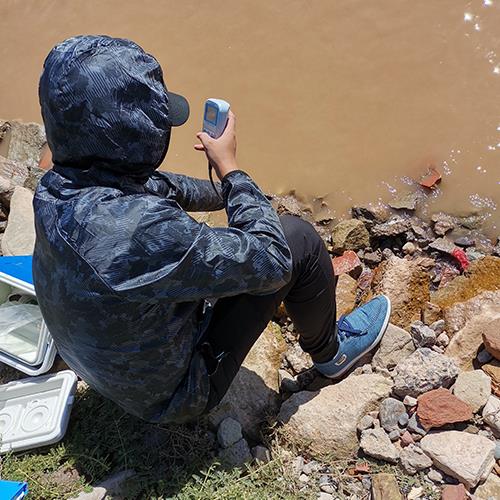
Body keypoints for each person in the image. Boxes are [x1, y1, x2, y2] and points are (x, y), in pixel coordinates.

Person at [33, 35, 391, 424]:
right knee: (297, 240)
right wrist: (233, 170)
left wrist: (227, 190)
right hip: (169, 396)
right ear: (137, 135)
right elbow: (273, 260)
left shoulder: (57, 188)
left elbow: (160, 186)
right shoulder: (144, 233)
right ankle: (331, 354)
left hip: (99, 365)